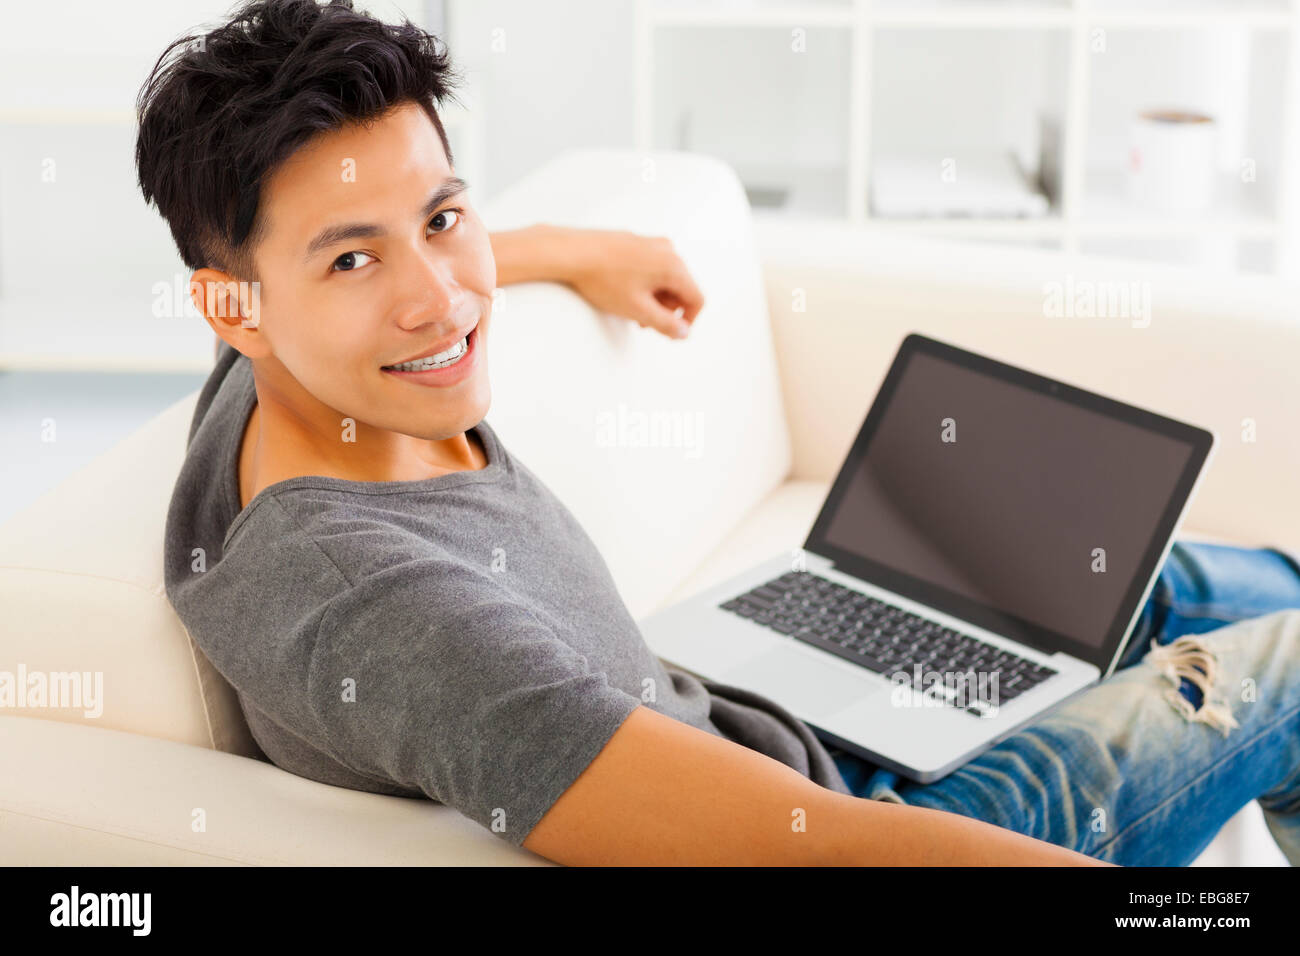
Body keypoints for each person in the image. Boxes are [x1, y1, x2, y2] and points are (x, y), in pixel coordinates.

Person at [143, 0, 1300, 866]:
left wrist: (568, 248)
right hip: (892, 820)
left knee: (1147, 571)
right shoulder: (388, 617)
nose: (441, 298)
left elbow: (395, 256)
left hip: (762, 715)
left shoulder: (270, 379)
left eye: (446, 217)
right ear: (230, 305)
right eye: (354, 256)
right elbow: (812, 855)